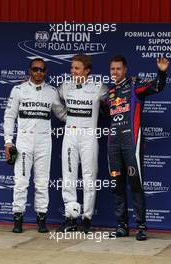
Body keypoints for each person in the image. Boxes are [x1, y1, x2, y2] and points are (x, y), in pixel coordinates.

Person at [107, 55, 169, 240]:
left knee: (135, 184)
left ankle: (140, 226)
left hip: (131, 143)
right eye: (112, 69)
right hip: (113, 144)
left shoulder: (135, 86)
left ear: (125, 70)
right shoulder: (109, 92)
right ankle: (122, 226)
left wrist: (162, 72)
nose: (115, 72)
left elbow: (157, 86)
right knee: (116, 185)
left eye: (118, 69)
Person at [4, 58, 66, 233]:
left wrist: (82, 116)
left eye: (42, 69)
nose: (38, 72)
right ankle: (18, 220)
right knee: (21, 182)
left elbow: (62, 114)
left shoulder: (52, 92)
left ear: (46, 71)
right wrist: (8, 141)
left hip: (44, 142)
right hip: (23, 142)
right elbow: (9, 116)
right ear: (30, 70)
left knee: (41, 183)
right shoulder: (18, 90)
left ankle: (41, 220)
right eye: (35, 69)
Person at [57, 54, 108, 233]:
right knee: (68, 177)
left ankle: (87, 218)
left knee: (89, 177)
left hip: (89, 136)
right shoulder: (65, 86)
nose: (73, 71)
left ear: (87, 71)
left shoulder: (98, 87)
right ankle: (71, 218)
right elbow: (54, 101)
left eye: (77, 68)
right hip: (70, 134)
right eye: (72, 68)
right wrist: (65, 117)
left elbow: (117, 99)